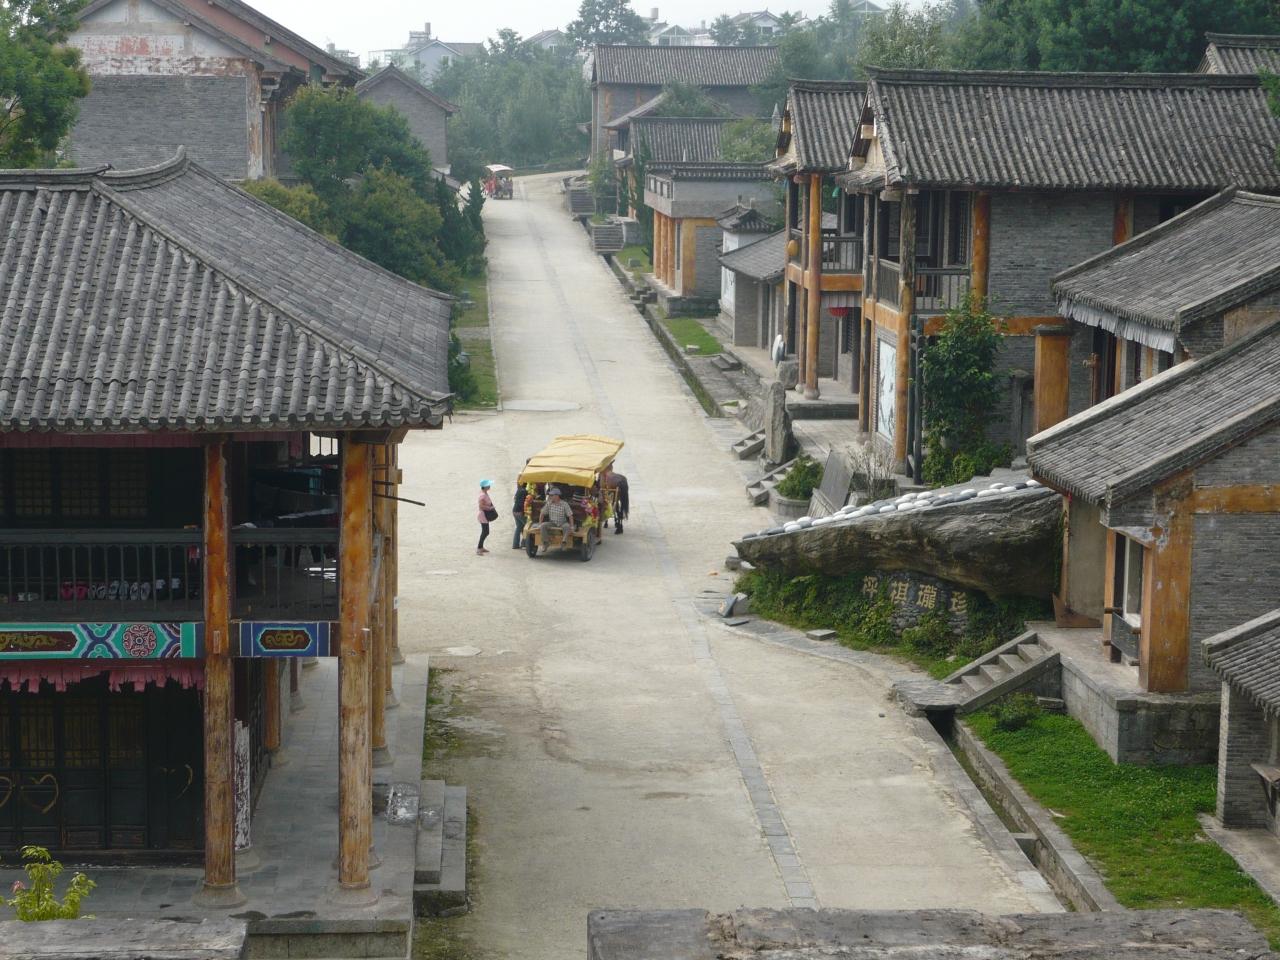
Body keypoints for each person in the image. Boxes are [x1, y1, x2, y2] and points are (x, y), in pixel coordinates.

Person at [537, 486, 575, 552]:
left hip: (562, 522)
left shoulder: (564, 504)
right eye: (550, 495)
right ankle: (546, 543)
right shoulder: (549, 503)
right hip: (552, 522)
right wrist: (540, 524)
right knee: (543, 526)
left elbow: (570, 515)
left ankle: (564, 542)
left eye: (552, 495)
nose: (550, 497)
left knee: (567, 526)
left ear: (557, 496)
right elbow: (542, 513)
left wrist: (572, 526)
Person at [601, 467, 629, 535]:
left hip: (612, 495)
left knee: (614, 503)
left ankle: (609, 521)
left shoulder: (603, 476)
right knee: (622, 503)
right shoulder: (623, 478)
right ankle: (620, 524)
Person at [476, 479, 497, 555]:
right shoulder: (483, 495)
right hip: (483, 515)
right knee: (485, 532)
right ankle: (479, 548)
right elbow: (481, 506)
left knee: (485, 532)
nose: (489, 486)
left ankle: (481, 547)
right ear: (485, 487)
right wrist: (490, 508)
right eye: (488, 485)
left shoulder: (484, 493)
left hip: (484, 515)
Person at [512, 479, 529, 549]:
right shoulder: (525, 491)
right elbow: (525, 502)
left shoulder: (519, 490)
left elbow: (515, 499)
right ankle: (524, 543)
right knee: (527, 527)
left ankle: (515, 545)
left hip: (514, 510)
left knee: (518, 527)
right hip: (520, 512)